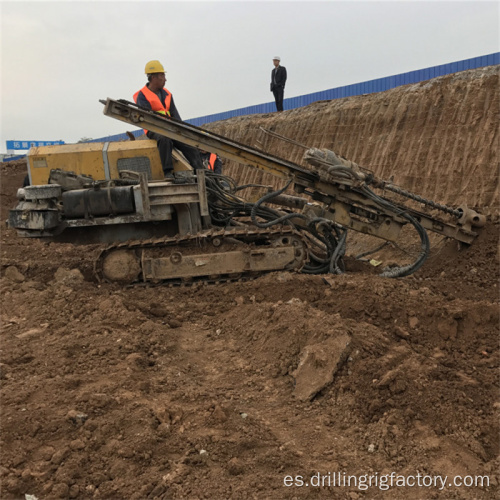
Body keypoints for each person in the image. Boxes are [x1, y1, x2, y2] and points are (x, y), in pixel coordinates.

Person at [134, 60, 204, 177]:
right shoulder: (142, 95)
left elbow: (175, 115)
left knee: (189, 144)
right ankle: (167, 172)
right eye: (162, 75)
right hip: (154, 129)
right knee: (164, 139)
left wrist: (183, 131)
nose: (165, 79)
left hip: (170, 128)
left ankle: (201, 173)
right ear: (153, 77)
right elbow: (147, 119)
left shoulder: (167, 94)